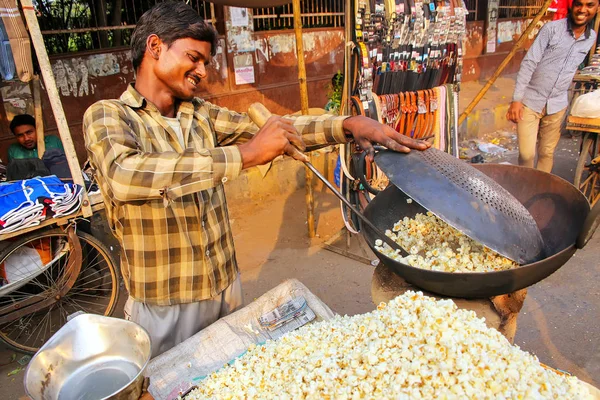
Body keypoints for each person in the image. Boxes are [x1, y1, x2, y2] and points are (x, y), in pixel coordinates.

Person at [83, 2, 429, 357]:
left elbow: (276, 130)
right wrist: (248, 154)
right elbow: (126, 175)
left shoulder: (201, 115)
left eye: (205, 62)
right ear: (155, 47)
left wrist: (346, 125)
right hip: (165, 303)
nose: (202, 71)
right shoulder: (110, 115)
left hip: (225, 288)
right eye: (193, 57)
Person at [506, 0, 598, 173]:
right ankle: (524, 190)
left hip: (557, 104)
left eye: (589, 5)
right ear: (572, 5)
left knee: (546, 153)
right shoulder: (552, 29)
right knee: (526, 154)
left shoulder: (590, 37)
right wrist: (516, 100)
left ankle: (539, 194)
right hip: (531, 100)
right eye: (579, 4)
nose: (582, 10)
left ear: (596, 8)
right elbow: (529, 62)